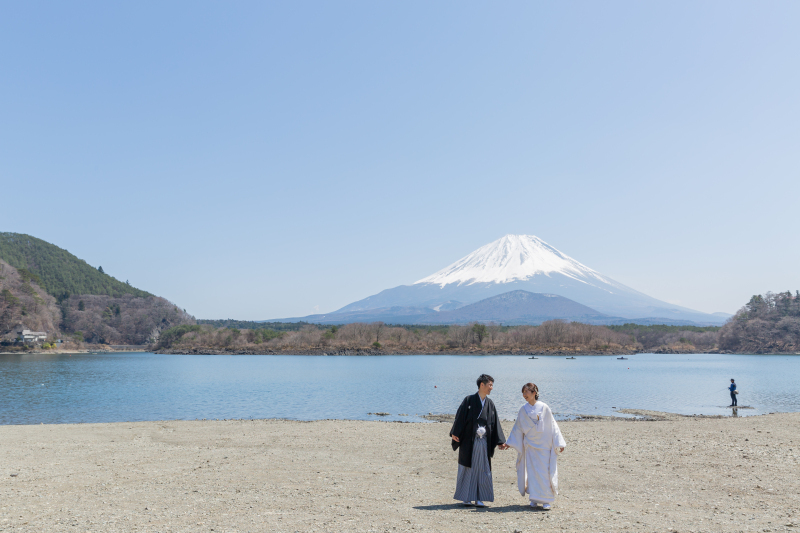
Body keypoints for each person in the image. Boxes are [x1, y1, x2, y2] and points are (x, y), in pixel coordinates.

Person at [505, 383, 566, 511]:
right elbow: (518, 427)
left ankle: (546, 499)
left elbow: (553, 425)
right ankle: (534, 498)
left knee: (544, 472)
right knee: (532, 472)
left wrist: (559, 442)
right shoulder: (523, 409)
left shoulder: (544, 408)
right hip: (530, 446)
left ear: (534, 393)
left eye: (526, 392)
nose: (524, 395)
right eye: (523, 393)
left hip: (544, 445)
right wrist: (508, 442)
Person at [450, 374, 507, 508]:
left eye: (492, 385)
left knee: (482, 468)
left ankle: (480, 498)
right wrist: (455, 433)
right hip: (469, 441)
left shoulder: (490, 404)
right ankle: (466, 497)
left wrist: (500, 441)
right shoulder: (469, 400)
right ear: (482, 384)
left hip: (483, 442)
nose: (491, 388)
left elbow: (495, 424)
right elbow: (460, 417)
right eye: (490, 385)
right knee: (467, 467)